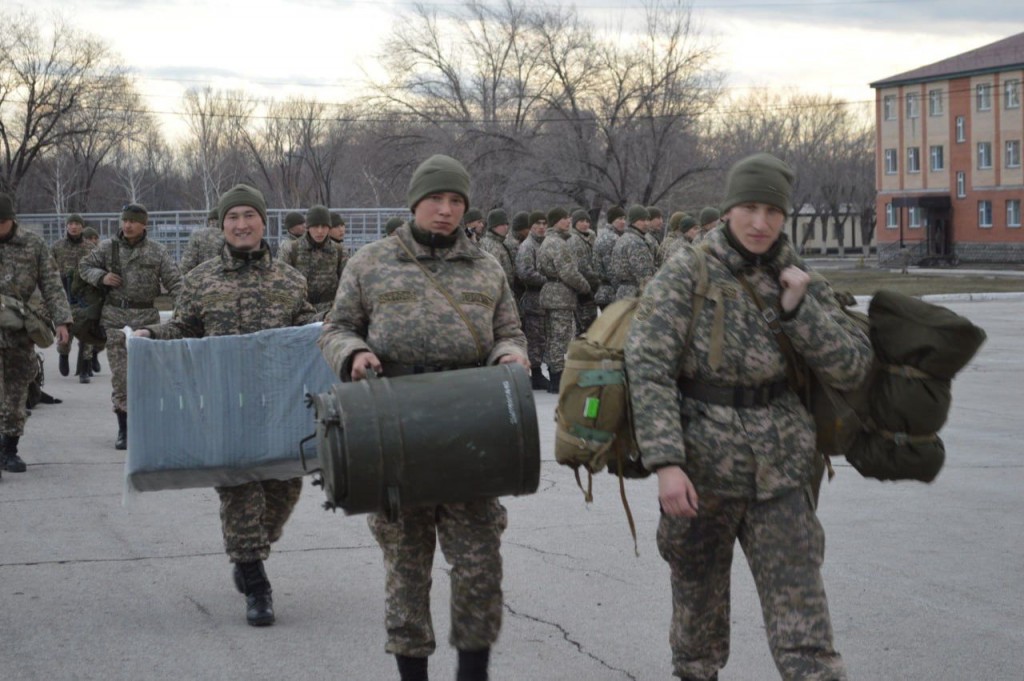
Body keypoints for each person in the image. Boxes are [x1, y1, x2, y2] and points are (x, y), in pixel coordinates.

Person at [625, 153, 872, 681]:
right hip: (700, 472)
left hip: (782, 472)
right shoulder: (686, 271)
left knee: (807, 634)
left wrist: (799, 311)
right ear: (729, 208)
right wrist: (667, 463)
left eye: (773, 211)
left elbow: (853, 368)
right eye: (749, 208)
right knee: (697, 634)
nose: (761, 223)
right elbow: (648, 369)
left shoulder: (800, 278)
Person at [318, 154, 528, 681]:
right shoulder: (371, 261)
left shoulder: (487, 266)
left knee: (479, 565)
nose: (446, 209)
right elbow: (336, 328)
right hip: (397, 428)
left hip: (471, 428)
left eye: (456, 201)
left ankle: (472, 673)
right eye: (436, 199)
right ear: (415, 202)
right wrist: (353, 355)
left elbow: (510, 331)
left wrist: (510, 354)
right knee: (406, 567)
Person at [134, 183, 318, 627]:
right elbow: (184, 327)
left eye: (248, 216)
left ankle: (249, 553)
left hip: (279, 406)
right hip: (226, 403)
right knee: (239, 491)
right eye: (232, 218)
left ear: (262, 221)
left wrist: (333, 326)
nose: (241, 225)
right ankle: (256, 584)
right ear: (221, 225)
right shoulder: (201, 280)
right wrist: (149, 336)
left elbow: (306, 324)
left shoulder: (290, 280)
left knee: (284, 489)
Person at [79, 203, 182, 450]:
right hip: (115, 318)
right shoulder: (107, 247)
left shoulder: (157, 252)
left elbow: (176, 283)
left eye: (133, 221)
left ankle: (146, 425)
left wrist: (183, 312)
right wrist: (100, 277)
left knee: (148, 378)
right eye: (124, 220)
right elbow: (83, 267)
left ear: (144, 224)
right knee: (122, 378)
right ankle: (124, 429)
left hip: (147, 319)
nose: (127, 225)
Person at [0, 193, 73, 475]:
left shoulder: (33, 244)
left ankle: (9, 450)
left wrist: (62, 322)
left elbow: (52, 285)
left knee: (16, 395)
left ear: (11, 220)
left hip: (20, 332)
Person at [538, 207, 590, 392]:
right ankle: (558, 378)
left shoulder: (547, 241)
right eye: (564, 218)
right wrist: (585, 287)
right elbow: (568, 271)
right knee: (561, 337)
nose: (568, 221)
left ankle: (555, 376)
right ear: (555, 222)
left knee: (554, 337)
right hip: (560, 294)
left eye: (568, 218)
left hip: (552, 293)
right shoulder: (558, 243)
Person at [51, 213, 99, 382]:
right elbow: (49, 270)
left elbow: (98, 268)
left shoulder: (90, 248)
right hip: (64, 295)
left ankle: (84, 370)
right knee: (66, 334)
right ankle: (63, 355)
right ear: (66, 226)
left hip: (84, 296)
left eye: (77, 223)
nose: (74, 226)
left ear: (82, 226)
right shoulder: (57, 247)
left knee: (87, 333)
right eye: (71, 223)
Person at [277, 205, 346, 314]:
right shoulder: (291, 250)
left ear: (329, 228)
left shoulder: (339, 251)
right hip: (300, 314)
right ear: (308, 227)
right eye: (315, 226)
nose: (320, 231)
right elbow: (280, 288)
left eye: (324, 226)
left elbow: (348, 285)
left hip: (331, 314)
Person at [515, 211, 549, 390]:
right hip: (533, 298)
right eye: (538, 223)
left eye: (544, 223)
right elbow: (525, 273)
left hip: (544, 299)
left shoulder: (544, 244)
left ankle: (538, 373)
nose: (542, 227)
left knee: (542, 338)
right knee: (535, 339)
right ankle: (535, 374)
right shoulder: (528, 246)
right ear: (531, 226)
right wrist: (548, 279)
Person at [610, 204, 655, 301]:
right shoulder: (636, 243)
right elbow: (644, 275)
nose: (647, 223)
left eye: (648, 220)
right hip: (635, 294)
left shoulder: (623, 238)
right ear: (634, 221)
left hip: (622, 292)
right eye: (643, 220)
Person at [567, 209, 600, 330]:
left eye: (587, 221)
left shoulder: (586, 238)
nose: (585, 224)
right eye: (581, 221)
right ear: (575, 223)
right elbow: (583, 267)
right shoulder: (575, 240)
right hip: (583, 290)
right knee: (586, 328)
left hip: (588, 288)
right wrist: (596, 281)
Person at [593, 205, 625, 309]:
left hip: (605, 292)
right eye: (620, 219)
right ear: (612, 220)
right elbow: (612, 270)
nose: (623, 222)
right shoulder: (611, 239)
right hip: (611, 294)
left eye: (624, 219)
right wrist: (622, 292)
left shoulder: (606, 235)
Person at [179, 207, 225, 274]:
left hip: (199, 279)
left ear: (209, 220)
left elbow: (186, 265)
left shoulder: (197, 235)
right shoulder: (229, 235)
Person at [478, 208, 514, 291]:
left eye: (507, 224)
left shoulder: (499, 243)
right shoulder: (492, 246)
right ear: (494, 226)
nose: (506, 227)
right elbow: (493, 275)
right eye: (502, 224)